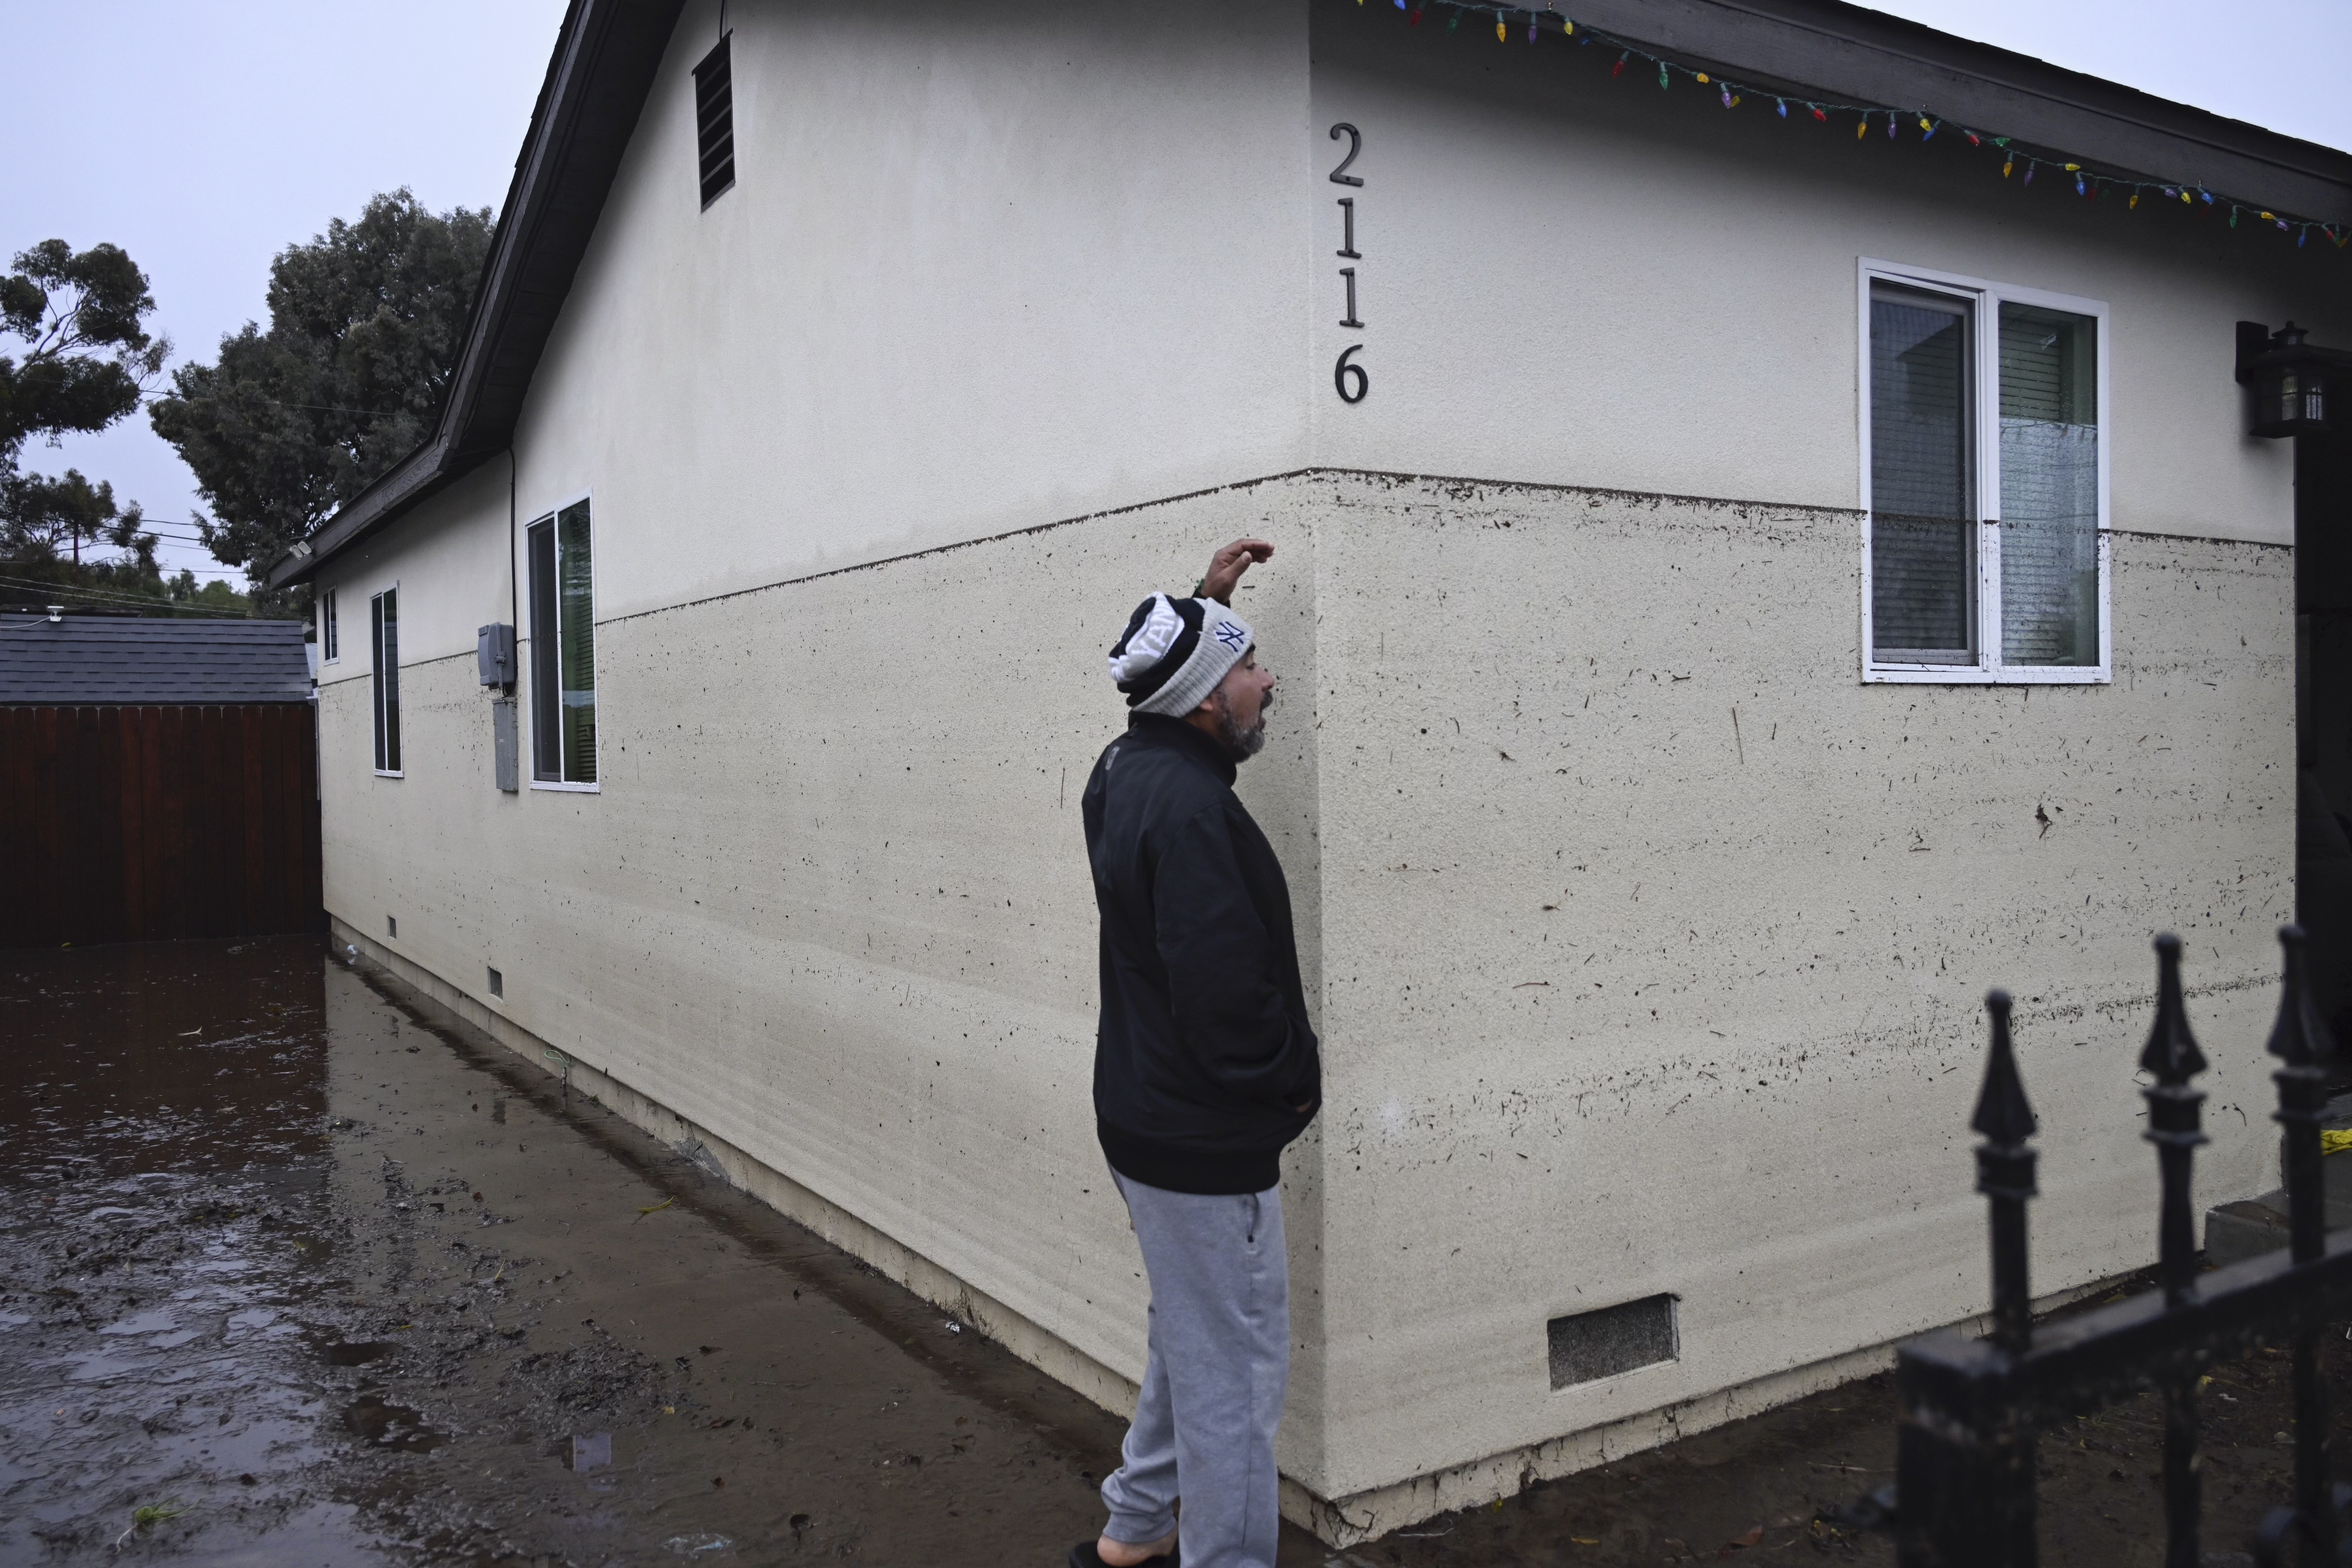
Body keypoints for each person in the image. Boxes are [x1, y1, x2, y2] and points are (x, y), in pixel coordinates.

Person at [1072, 538, 1321, 1568]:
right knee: (1236, 1380)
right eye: (1252, 666)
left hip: (1143, 1118)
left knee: (1193, 1333)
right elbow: (1226, 1007)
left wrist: (1205, 604)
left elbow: (1157, 666)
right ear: (1212, 701)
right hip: (1202, 1139)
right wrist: (1286, 1097)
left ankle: (1134, 1531)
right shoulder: (1193, 814)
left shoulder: (1128, 764)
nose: (1270, 680)